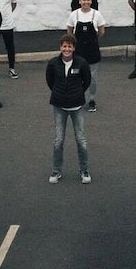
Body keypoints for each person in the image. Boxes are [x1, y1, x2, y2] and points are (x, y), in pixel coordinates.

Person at [45, 34, 93, 184]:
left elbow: (87, 81)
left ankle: (84, 170)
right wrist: (59, 94)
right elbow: (50, 81)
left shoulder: (81, 63)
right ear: (60, 47)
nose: (67, 49)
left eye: (69, 46)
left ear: (74, 48)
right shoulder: (53, 63)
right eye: (64, 46)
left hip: (77, 106)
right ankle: (56, 171)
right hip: (59, 106)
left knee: (81, 140)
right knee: (58, 141)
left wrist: (77, 93)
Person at [66, 0, 107, 112]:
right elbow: (69, 30)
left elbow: (101, 31)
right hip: (78, 51)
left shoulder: (97, 14)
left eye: (88, 0)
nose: (86, 2)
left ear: (91, 1)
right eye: (83, 0)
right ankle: (78, 98)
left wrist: (93, 40)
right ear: (79, 1)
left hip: (92, 50)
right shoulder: (74, 15)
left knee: (92, 77)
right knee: (77, 76)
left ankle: (92, 100)